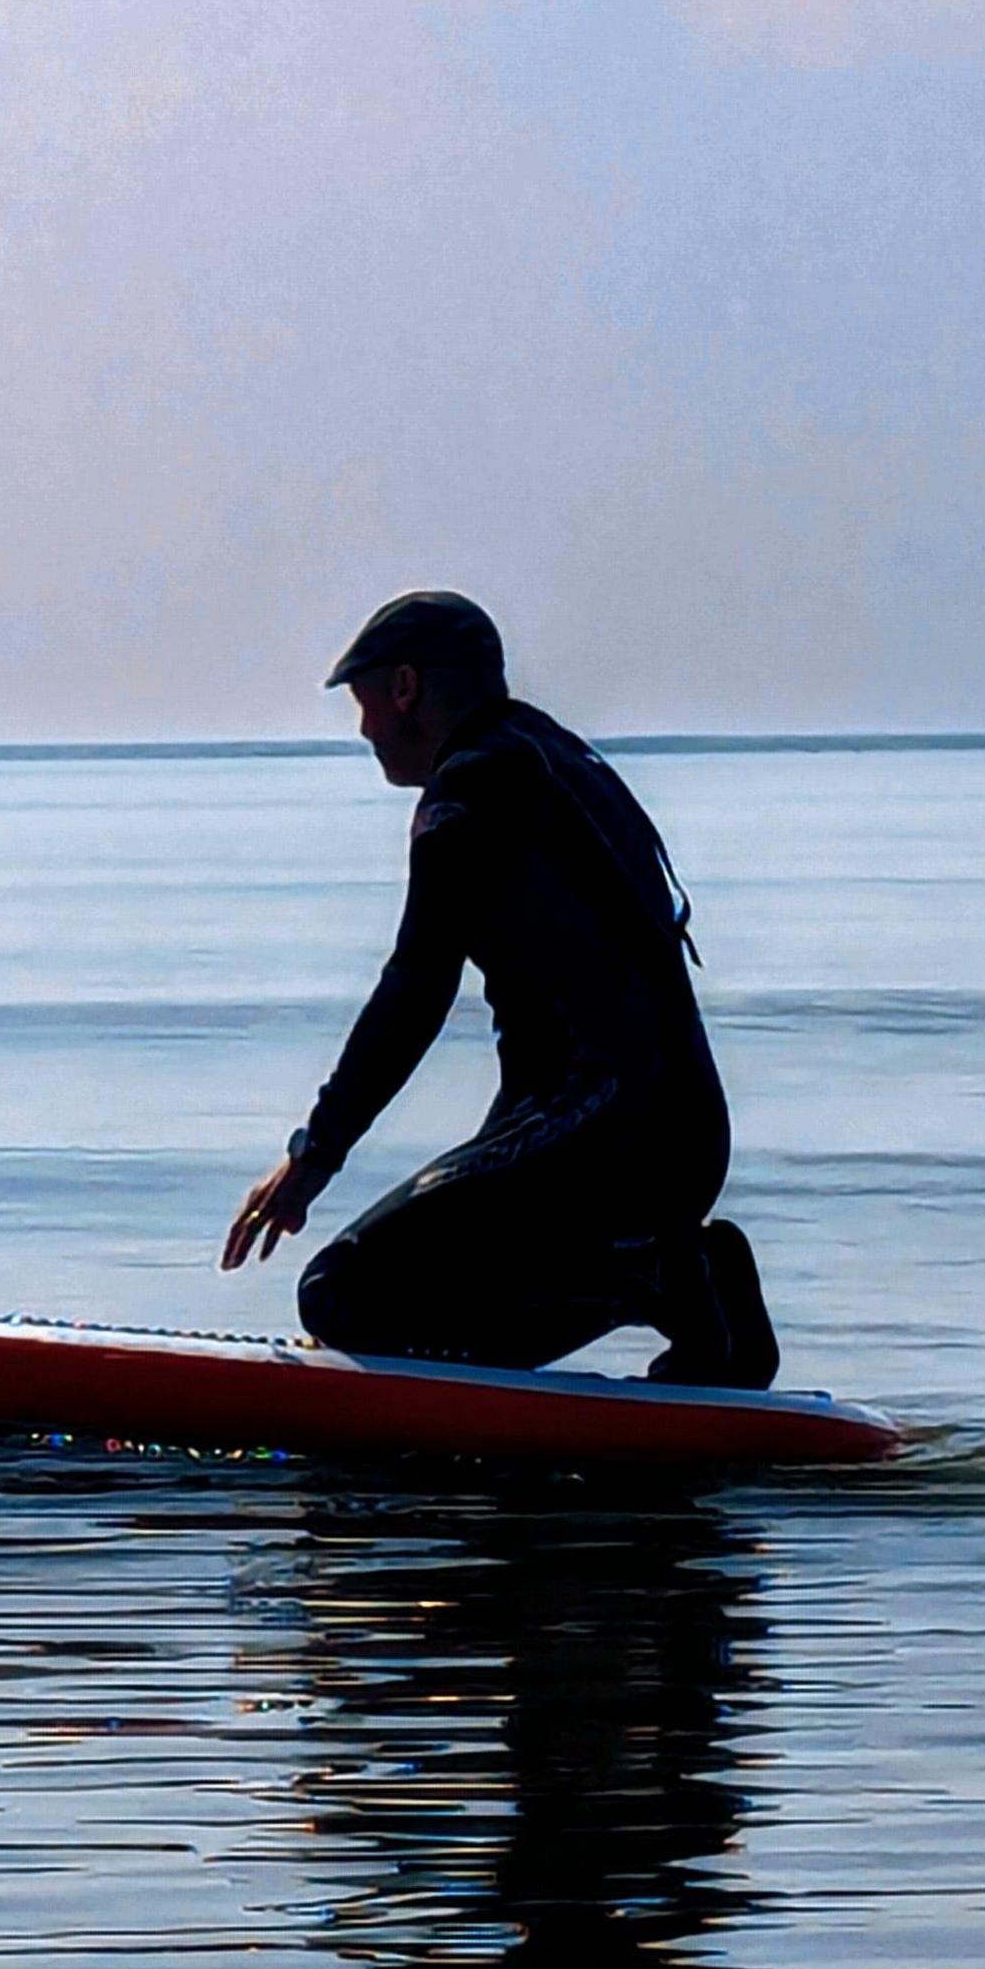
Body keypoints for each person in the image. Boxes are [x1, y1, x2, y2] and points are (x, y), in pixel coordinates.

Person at [222, 592, 779, 1386]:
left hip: (604, 1142)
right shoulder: (563, 761)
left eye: (364, 702)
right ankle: (698, 1295)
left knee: (341, 1294)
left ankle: (653, 1280)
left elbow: (415, 987)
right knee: (434, 1283)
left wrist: (317, 1154)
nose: (364, 730)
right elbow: (571, 1030)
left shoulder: (472, 788)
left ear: (405, 687)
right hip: (678, 1136)